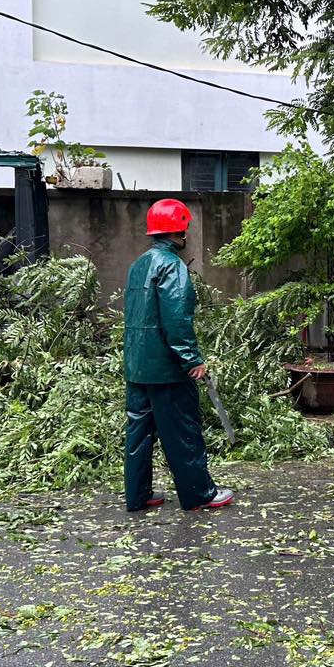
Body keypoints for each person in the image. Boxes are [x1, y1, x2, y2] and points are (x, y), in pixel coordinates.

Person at [123, 199, 235, 512]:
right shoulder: (171, 266)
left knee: (138, 435)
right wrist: (192, 359)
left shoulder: (139, 265)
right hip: (167, 369)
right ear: (180, 231)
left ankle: (138, 495)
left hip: (136, 367)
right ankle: (199, 494)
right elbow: (176, 319)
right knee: (183, 432)